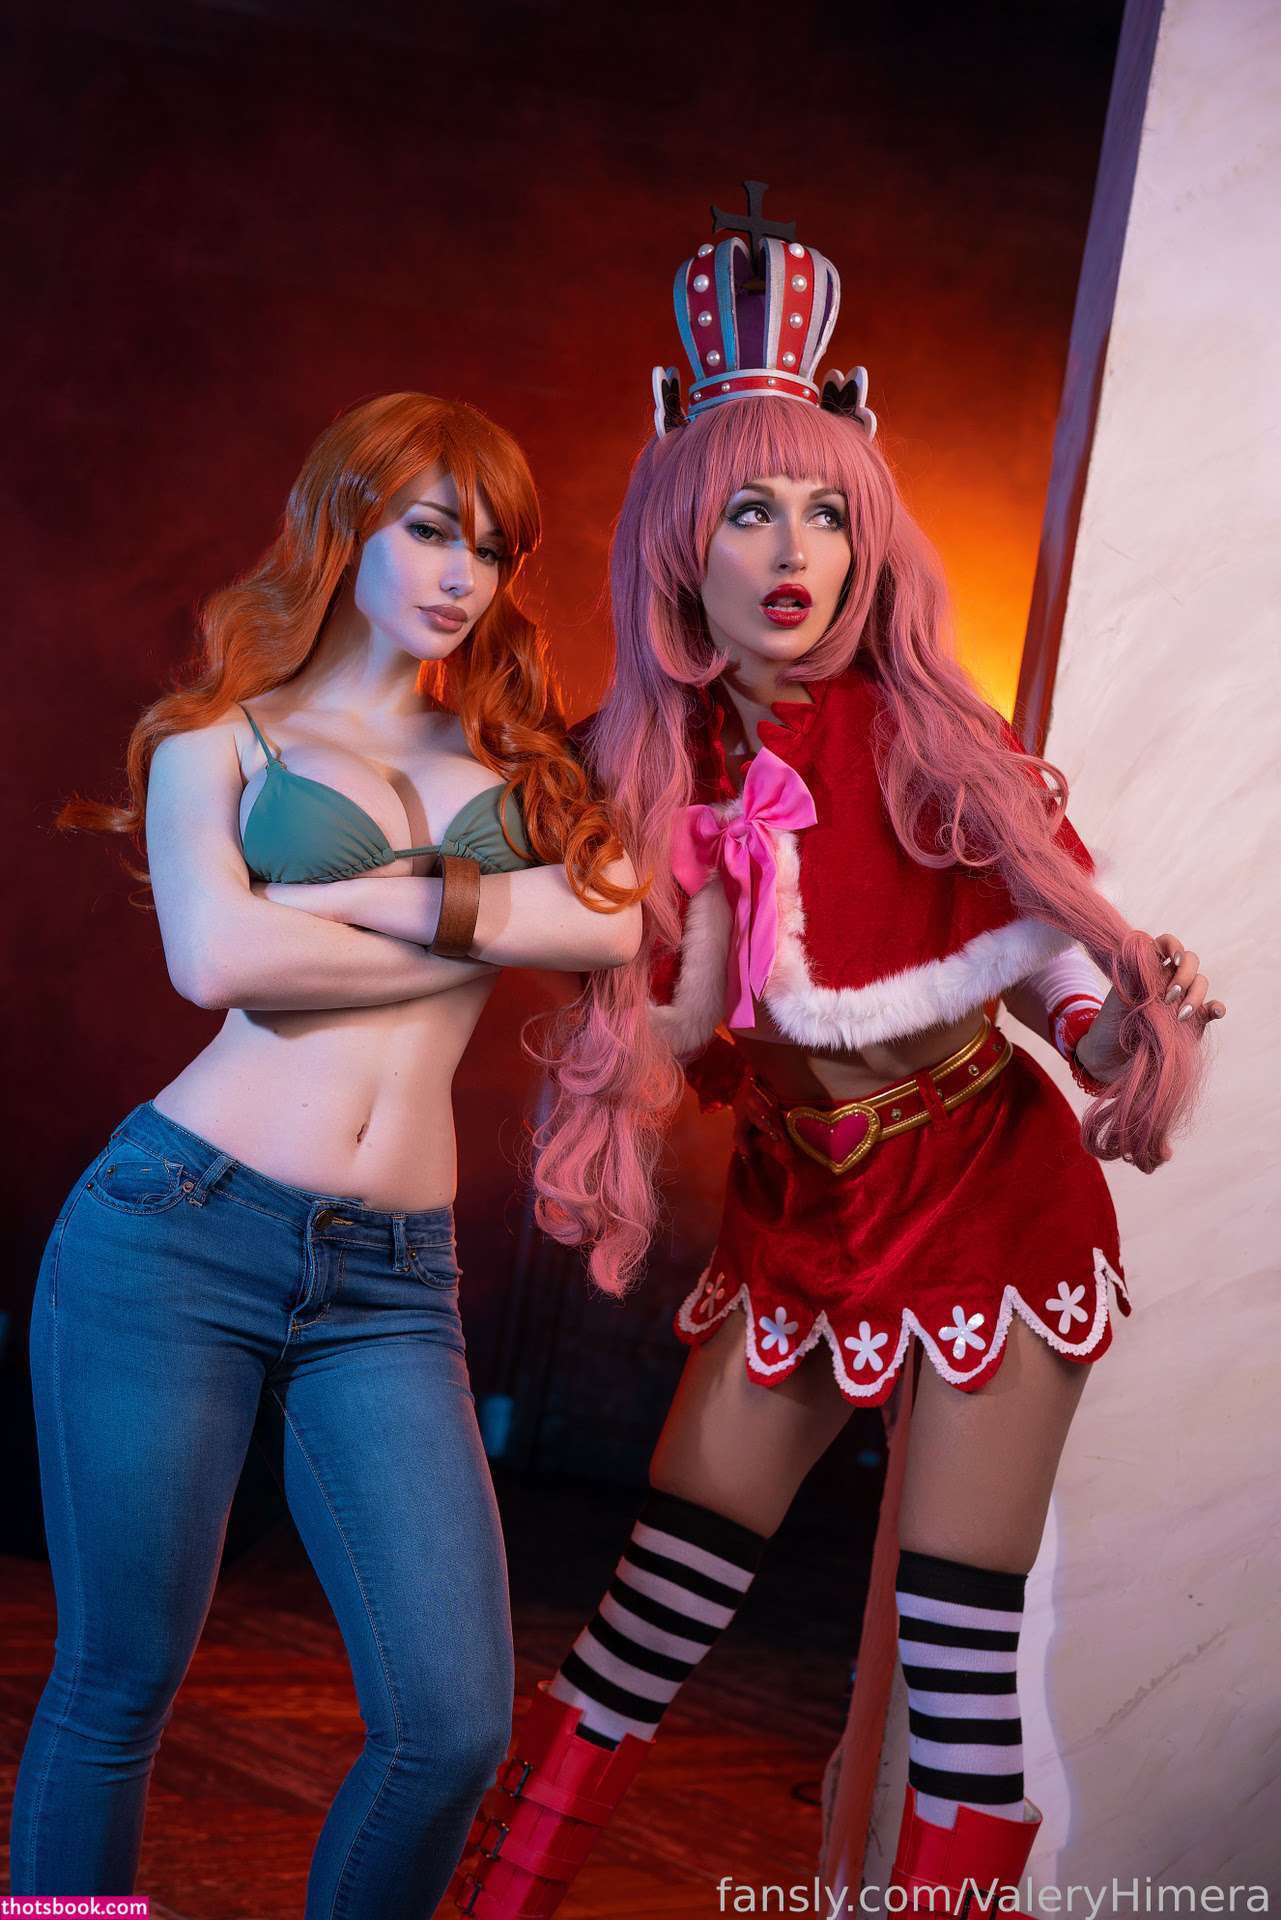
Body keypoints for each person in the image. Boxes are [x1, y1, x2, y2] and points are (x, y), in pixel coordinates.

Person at [448, 204, 1226, 1917]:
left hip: (987, 1204)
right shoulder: (627, 763)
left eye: (826, 509)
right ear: (682, 543)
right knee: (642, 1625)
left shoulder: (934, 732)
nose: (792, 546)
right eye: (749, 509)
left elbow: (1051, 982)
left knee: (954, 1666)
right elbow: (565, 962)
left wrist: (1129, 1019)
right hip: (799, 1212)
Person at [10, 391, 642, 1914]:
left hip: (391, 1281)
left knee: (451, 1725)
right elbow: (217, 964)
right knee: (116, 1681)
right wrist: (483, 926)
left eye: (490, 550)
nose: (460, 575)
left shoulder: (523, 763)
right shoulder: (216, 741)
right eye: (428, 530)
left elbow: (616, 927)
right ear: (344, 522)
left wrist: (359, 900)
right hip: (175, 1229)